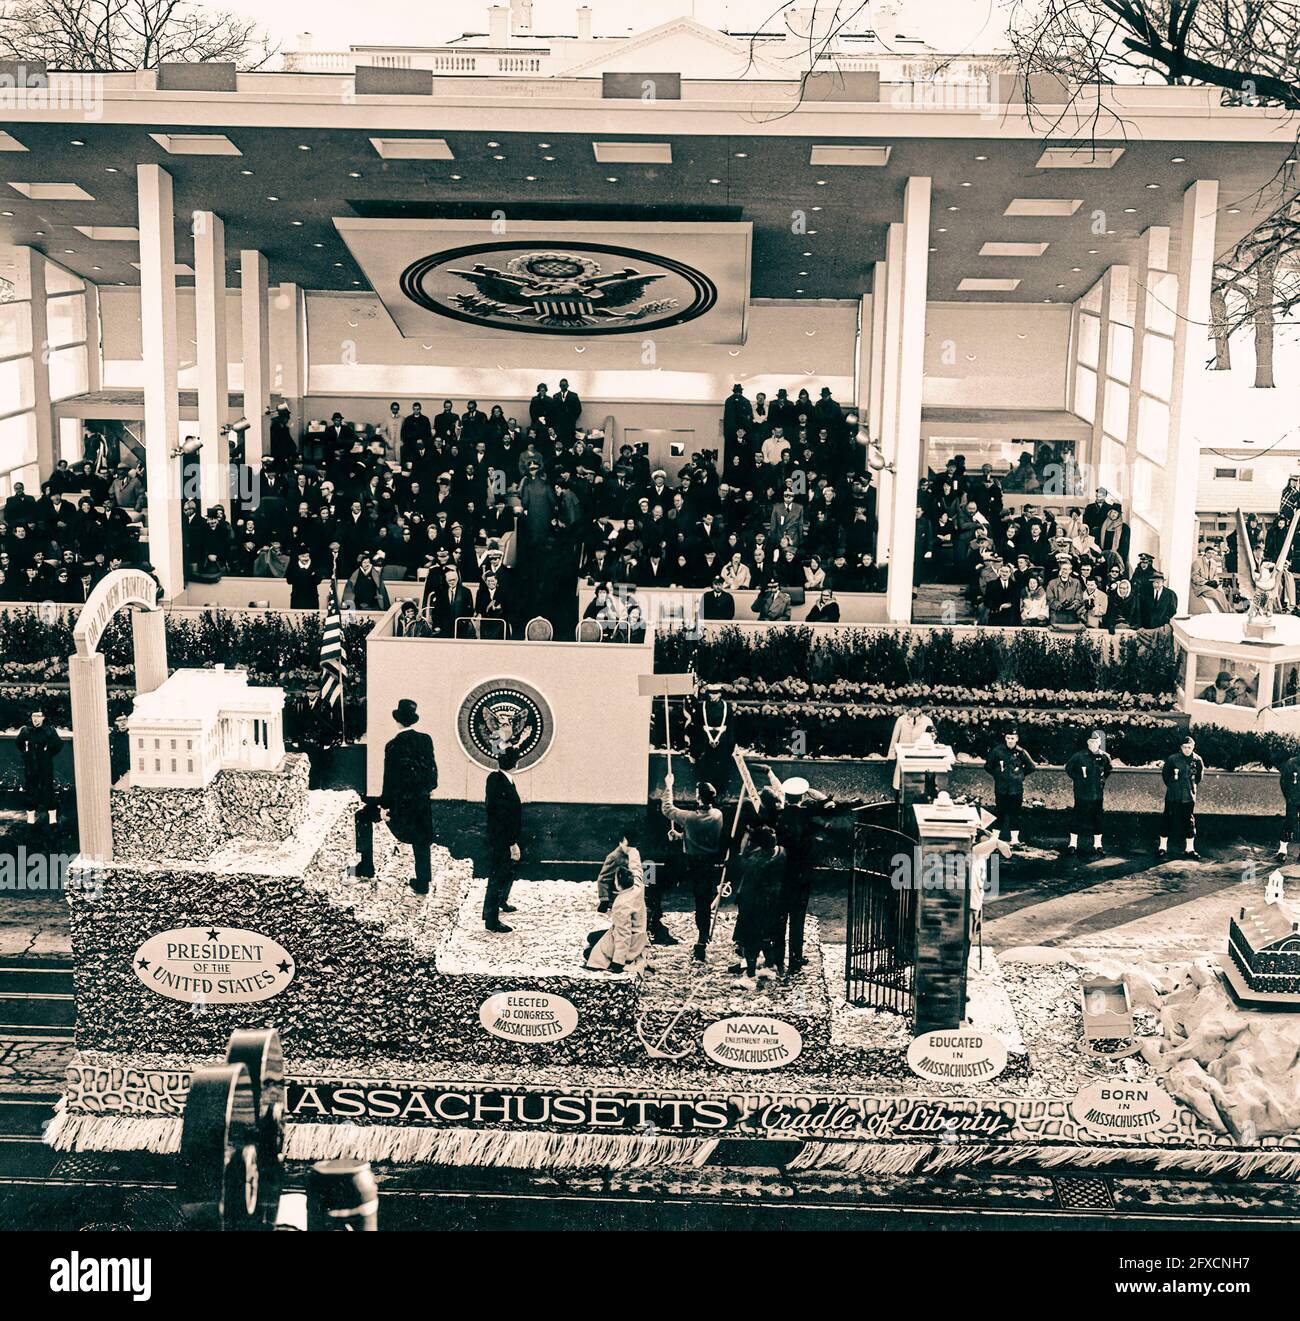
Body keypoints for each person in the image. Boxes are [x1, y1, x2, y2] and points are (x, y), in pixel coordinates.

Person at [661, 772, 725, 962]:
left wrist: (669, 785)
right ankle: (703, 936)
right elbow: (701, 836)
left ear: (698, 797)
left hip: (694, 863)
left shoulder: (690, 818)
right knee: (704, 901)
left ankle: (701, 940)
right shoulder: (717, 815)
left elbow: (667, 808)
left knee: (699, 901)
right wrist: (682, 837)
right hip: (710, 863)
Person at [379, 698, 438, 895]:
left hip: (403, 800)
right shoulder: (425, 739)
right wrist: (429, 787)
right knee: (422, 840)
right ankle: (423, 880)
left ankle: (420, 881)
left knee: (406, 834)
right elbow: (432, 769)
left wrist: (385, 803)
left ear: (398, 721)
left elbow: (390, 778)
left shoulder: (393, 745)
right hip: (422, 798)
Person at [728, 825, 785, 989]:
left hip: (754, 904)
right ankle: (769, 966)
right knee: (767, 936)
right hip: (772, 902)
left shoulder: (754, 862)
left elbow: (741, 859)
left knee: (750, 939)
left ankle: (750, 974)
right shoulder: (781, 853)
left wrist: (745, 843)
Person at [484, 745, 523, 932]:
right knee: (498, 877)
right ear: (516, 763)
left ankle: (496, 906)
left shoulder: (497, 779)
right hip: (503, 839)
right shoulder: (502, 782)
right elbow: (503, 816)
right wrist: (511, 843)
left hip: (499, 837)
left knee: (501, 875)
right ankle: (492, 920)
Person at [583, 863, 648, 974]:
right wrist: (630, 851)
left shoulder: (622, 904)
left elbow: (623, 935)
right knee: (592, 937)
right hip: (639, 937)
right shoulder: (638, 888)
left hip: (630, 942)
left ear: (617, 883)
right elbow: (637, 872)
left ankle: (618, 958)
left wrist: (618, 962)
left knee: (589, 952)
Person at [684, 680, 736, 800]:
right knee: (706, 768)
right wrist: (694, 748)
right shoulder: (701, 707)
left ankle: (720, 793)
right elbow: (696, 727)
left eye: (715, 693)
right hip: (705, 742)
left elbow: (731, 727)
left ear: (720, 694)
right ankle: (705, 795)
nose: (712, 696)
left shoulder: (726, 707)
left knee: (721, 767)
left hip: (722, 742)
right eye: (710, 693)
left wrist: (730, 745)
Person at [984, 728, 1037, 848]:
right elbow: (988, 766)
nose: (1010, 741)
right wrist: (997, 775)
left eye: (1012, 738)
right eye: (1008, 738)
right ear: (1005, 738)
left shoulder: (1021, 752)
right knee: (999, 813)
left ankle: (1014, 840)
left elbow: (1032, 766)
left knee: (1015, 814)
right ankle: (995, 839)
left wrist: (1020, 776)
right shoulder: (997, 751)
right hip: (1001, 788)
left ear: (1017, 739)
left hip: (1016, 789)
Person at [1063, 730, 1112, 858]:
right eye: (1091, 742)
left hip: (1097, 794)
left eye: (1096, 742)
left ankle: (1098, 845)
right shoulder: (1079, 756)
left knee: (1098, 818)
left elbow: (1108, 770)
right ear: (1087, 743)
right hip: (1082, 793)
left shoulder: (1104, 757)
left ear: (1099, 743)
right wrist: (1078, 780)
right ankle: (1073, 844)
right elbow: (1069, 768)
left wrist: (1101, 781)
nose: (1093, 744)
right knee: (1077, 817)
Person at [1158, 734, 1204, 861]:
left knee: (1189, 821)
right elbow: (1166, 775)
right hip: (1173, 796)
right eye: (1184, 747)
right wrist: (1174, 786)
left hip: (1188, 796)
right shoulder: (1173, 759)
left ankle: (1189, 849)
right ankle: (1162, 847)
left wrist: (1190, 788)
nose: (1187, 750)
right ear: (1181, 748)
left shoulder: (1197, 760)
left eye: (1189, 747)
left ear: (1193, 747)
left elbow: (1198, 777)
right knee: (1167, 819)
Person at [17, 707, 61, 825]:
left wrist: (48, 754)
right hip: (31, 765)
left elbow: (58, 744)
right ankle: (30, 816)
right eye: (33, 716)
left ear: (43, 718)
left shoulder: (49, 731)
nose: (35, 719)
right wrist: (27, 754)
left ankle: (52, 817)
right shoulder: (26, 730)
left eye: (38, 716)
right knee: (31, 789)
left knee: (48, 788)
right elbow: (19, 743)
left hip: (45, 764)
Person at [595, 822, 644, 914]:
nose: (630, 849)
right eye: (627, 846)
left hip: (633, 892)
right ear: (620, 843)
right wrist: (604, 900)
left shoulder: (635, 853)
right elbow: (603, 879)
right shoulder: (614, 857)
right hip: (618, 894)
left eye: (633, 847)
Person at [1278, 749, 1300, 862]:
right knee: (1290, 822)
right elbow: (1283, 781)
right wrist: (1289, 797)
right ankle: (1282, 850)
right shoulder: (1291, 763)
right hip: (1293, 800)